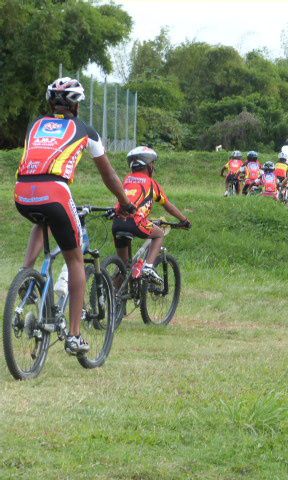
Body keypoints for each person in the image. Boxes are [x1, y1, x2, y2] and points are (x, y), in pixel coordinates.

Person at [14, 77, 136, 354]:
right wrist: (125, 202)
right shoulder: (85, 130)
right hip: (56, 191)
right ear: (76, 105)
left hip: (22, 191)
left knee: (41, 220)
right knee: (75, 260)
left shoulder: (35, 125)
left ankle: (26, 276)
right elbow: (109, 175)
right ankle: (75, 335)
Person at [112, 147, 191, 283]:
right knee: (159, 233)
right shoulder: (151, 183)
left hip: (118, 222)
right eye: (153, 164)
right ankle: (148, 267)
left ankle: (115, 299)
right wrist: (184, 220)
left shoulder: (127, 179)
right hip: (135, 221)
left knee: (123, 268)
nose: (154, 167)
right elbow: (168, 206)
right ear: (148, 165)